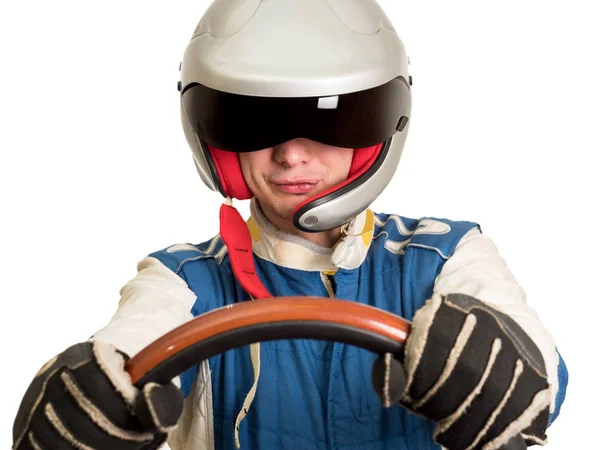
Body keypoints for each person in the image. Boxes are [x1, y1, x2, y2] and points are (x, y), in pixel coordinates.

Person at [12, 1, 568, 449]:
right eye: (255, 121)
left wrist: (508, 371)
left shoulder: (445, 256)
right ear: (217, 141)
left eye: (329, 119)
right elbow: (128, 345)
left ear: (376, 130)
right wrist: (90, 395)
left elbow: (534, 361)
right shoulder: (181, 279)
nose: (291, 155)